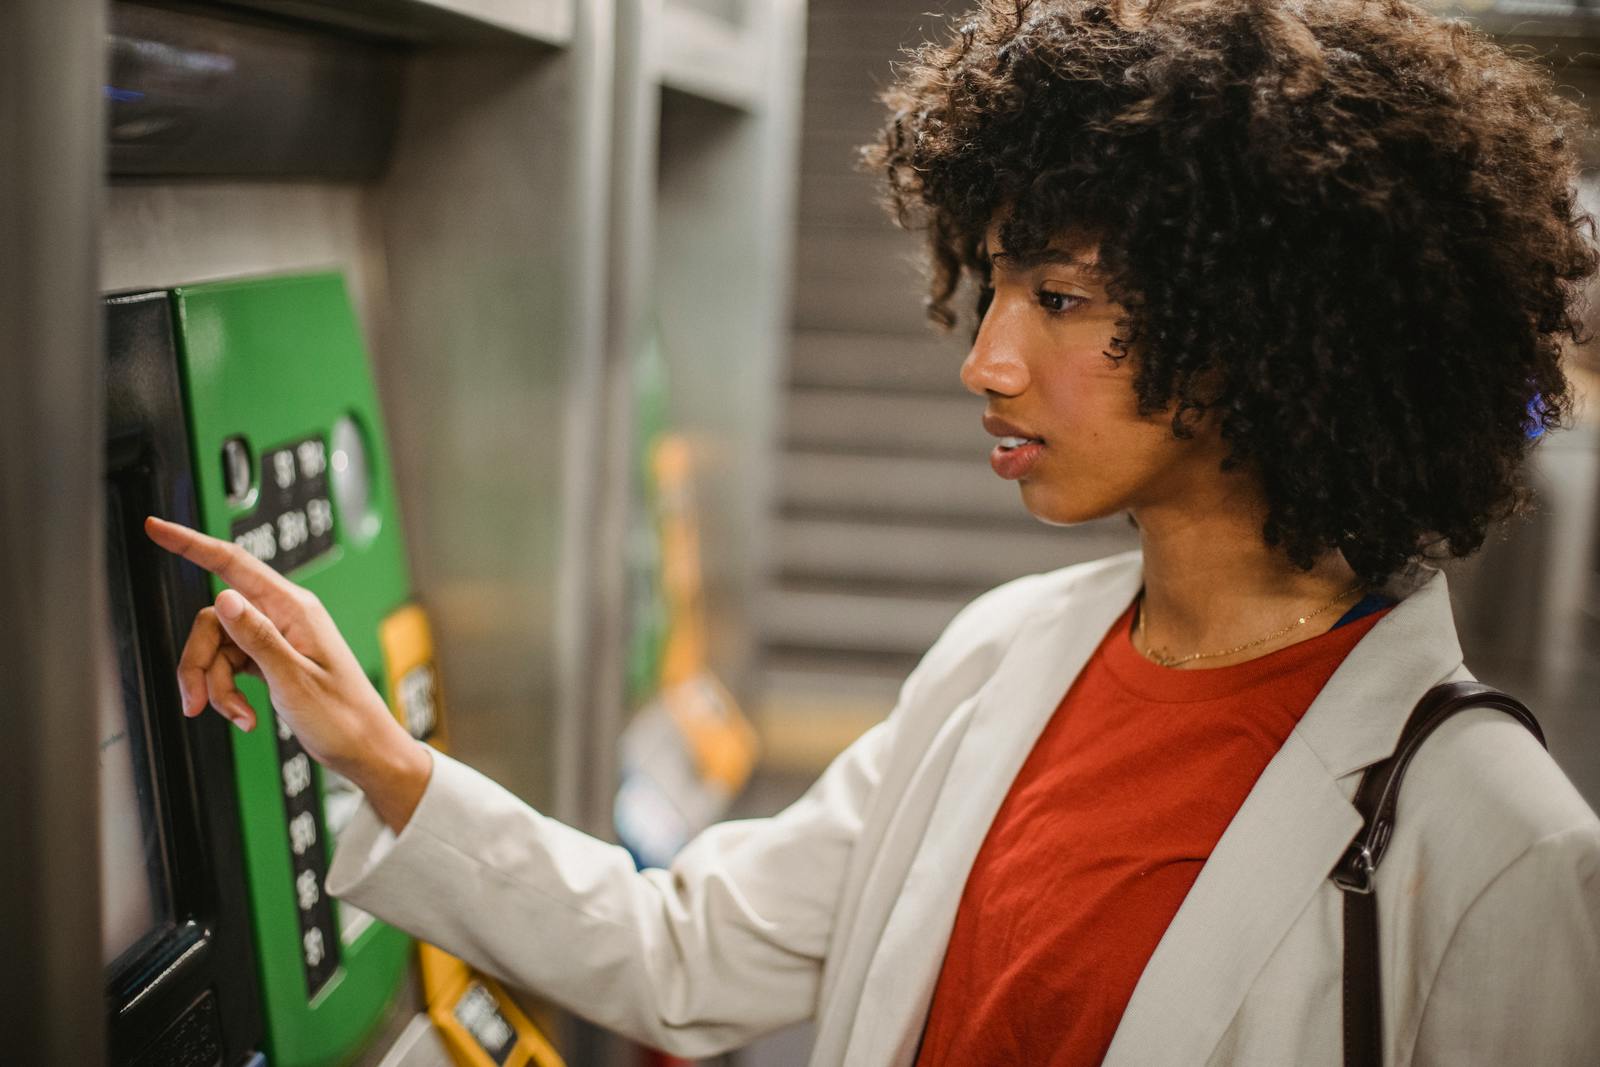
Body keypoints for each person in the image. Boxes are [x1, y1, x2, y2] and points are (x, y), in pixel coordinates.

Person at [148, 1, 1600, 1063]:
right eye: (991, 289)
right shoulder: (1008, 656)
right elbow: (686, 957)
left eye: (1063, 298)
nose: (987, 358)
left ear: (1264, 330)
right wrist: (377, 757)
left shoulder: (1498, 852)